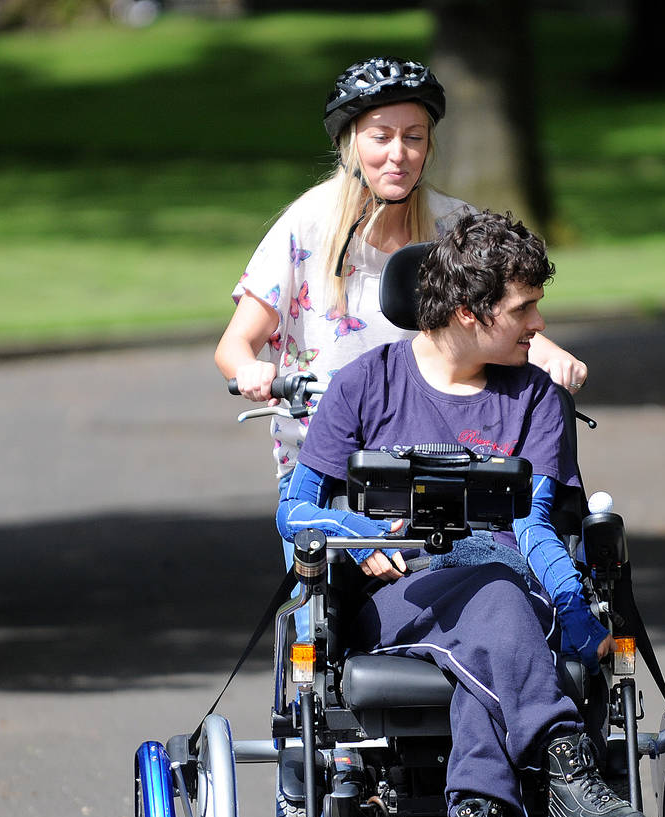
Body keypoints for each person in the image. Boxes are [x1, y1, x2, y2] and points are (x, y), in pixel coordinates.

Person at [277, 210, 644, 817]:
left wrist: (576, 615)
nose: (539, 324)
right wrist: (362, 533)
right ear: (471, 312)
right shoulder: (365, 386)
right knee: (500, 603)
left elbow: (534, 528)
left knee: (497, 609)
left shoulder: (534, 397)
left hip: (501, 598)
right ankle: (564, 764)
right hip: (397, 599)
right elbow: (293, 512)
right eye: (524, 308)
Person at [213, 55, 587, 491]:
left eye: (414, 137)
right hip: (324, 461)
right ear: (350, 143)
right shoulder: (307, 226)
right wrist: (251, 371)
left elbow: (495, 311)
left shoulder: (454, 227)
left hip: (430, 458)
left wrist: (549, 352)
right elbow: (235, 344)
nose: (399, 154)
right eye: (380, 137)